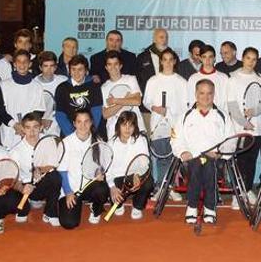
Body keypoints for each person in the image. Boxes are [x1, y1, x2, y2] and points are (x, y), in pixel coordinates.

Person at [172, 79, 235, 225]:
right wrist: (183, 152)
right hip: (191, 159)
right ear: (195, 94)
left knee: (208, 165)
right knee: (196, 165)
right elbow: (175, 139)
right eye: (201, 93)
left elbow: (231, 141)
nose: (205, 97)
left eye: (209, 93)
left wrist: (220, 153)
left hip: (215, 160)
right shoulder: (185, 116)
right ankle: (192, 206)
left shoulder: (223, 116)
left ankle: (209, 208)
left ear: (214, 95)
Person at [142, 47, 187, 199]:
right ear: (161, 61)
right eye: (164, 59)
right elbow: (146, 101)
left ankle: (172, 188)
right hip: (157, 125)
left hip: (175, 126)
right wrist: (154, 107)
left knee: (174, 159)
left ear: (174, 62)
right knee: (161, 159)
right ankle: (162, 187)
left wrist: (169, 112)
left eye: (170, 60)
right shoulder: (153, 80)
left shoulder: (181, 82)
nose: (167, 63)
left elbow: (185, 106)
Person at [225, 47, 261, 208]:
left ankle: (248, 189)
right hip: (240, 128)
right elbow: (232, 104)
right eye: (248, 58)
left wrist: (255, 111)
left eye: (254, 59)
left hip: (258, 128)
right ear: (243, 58)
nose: (251, 62)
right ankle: (238, 193)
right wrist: (244, 122)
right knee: (241, 162)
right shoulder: (233, 78)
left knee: (251, 161)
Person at [7, 112, 61, 226]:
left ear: (41, 128)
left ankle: (50, 213)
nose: (32, 132)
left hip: (42, 182)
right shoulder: (15, 151)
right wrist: (22, 189)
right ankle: (29, 202)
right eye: (28, 127)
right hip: (25, 187)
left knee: (55, 176)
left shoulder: (49, 141)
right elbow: (13, 180)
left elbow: (54, 164)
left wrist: (41, 170)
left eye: (35, 127)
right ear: (22, 128)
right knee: (21, 215)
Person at [57, 109, 104, 228]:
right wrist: (68, 192)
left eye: (86, 121)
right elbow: (62, 171)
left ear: (91, 122)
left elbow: (101, 165)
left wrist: (100, 172)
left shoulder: (98, 140)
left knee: (102, 189)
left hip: (90, 186)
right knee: (69, 223)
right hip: (71, 190)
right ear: (74, 123)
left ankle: (95, 207)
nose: (83, 125)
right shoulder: (66, 143)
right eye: (79, 122)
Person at [105, 112, 154, 220]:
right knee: (115, 204)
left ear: (135, 127)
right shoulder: (110, 144)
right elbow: (107, 170)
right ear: (118, 126)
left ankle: (137, 206)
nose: (127, 129)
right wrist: (112, 187)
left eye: (130, 125)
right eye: (124, 125)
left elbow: (144, 163)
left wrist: (137, 175)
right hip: (118, 179)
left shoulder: (141, 140)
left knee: (149, 182)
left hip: (134, 176)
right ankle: (117, 202)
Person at [0, 50, 45, 149]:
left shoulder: (37, 86)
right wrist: (15, 125)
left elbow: (39, 110)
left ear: (30, 64)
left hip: (29, 133)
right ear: (14, 64)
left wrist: (27, 127)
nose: (22, 64)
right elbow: (0, 110)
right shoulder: (4, 85)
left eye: (25, 61)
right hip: (9, 133)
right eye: (19, 61)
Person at [53, 54, 103, 136]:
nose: (76, 73)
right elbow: (60, 114)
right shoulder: (61, 88)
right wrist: (72, 135)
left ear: (86, 71)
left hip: (90, 133)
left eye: (80, 69)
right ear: (69, 70)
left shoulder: (94, 86)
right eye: (73, 69)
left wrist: (89, 132)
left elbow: (96, 111)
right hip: (68, 134)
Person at [101, 51, 145, 140]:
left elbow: (137, 101)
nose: (113, 67)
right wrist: (126, 99)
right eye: (109, 64)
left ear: (120, 65)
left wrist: (115, 101)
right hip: (114, 131)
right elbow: (106, 114)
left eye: (116, 64)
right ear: (106, 67)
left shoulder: (131, 79)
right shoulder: (104, 87)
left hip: (135, 127)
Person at [32, 51, 67, 137]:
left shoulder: (63, 81)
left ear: (55, 67)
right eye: (45, 66)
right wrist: (40, 120)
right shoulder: (33, 83)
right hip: (39, 127)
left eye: (52, 66)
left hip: (60, 126)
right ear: (40, 67)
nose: (49, 69)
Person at [186, 45, 230, 111]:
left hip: (219, 118)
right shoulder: (193, 78)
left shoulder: (223, 78)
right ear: (200, 58)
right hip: (198, 118)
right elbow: (191, 102)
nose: (207, 60)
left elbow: (227, 102)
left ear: (214, 58)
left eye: (210, 57)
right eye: (204, 57)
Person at [135, 28, 172, 93]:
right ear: (154, 39)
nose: (164, 40)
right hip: (148, 94)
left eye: (166, 38)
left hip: (169, 92)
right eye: (161, 37)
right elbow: (138, 78)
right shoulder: (142, 57)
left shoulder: (173, 56)